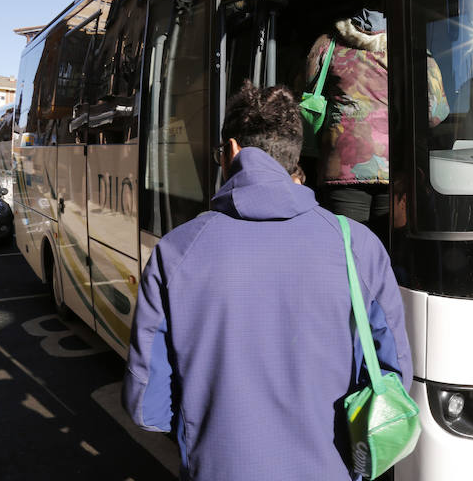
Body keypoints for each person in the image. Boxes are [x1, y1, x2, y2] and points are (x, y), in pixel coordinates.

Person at [123, 83, 413, 481]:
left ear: (231, 151)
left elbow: (146, 405)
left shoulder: (176, 252)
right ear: (294, 154)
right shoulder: (358, 246)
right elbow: (393, 376)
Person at [305, 7, 449, 239]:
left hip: (342, 166)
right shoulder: (413, 49)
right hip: (395, 166)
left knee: (348, 249)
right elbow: (435, 113)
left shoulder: (328, 44)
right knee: (386, 248)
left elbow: (307, 89)